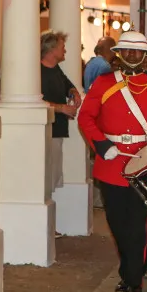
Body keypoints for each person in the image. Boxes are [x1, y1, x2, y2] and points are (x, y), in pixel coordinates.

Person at [77, 32, 147, 292]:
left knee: (138, 225)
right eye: (126, 50)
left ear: (144, 55)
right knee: (116, 224)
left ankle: (134, 281)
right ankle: (128, 272)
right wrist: (102, 144)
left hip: (143, 165)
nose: (131, 55)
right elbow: (85, 117)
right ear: (119, 53)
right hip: (111, 162)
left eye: (137, 51)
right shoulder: (104, 83)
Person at [40, 30, 82, 192]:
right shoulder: (37, 72)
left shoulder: (55, 68)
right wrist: (61, 108)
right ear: (52, 49)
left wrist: (74, 92)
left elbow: (67, 85)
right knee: (46, 177)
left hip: (57, 130)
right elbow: (36, 102)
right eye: (62, 47)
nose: (65, 50)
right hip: (46, 131)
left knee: (54, 175)